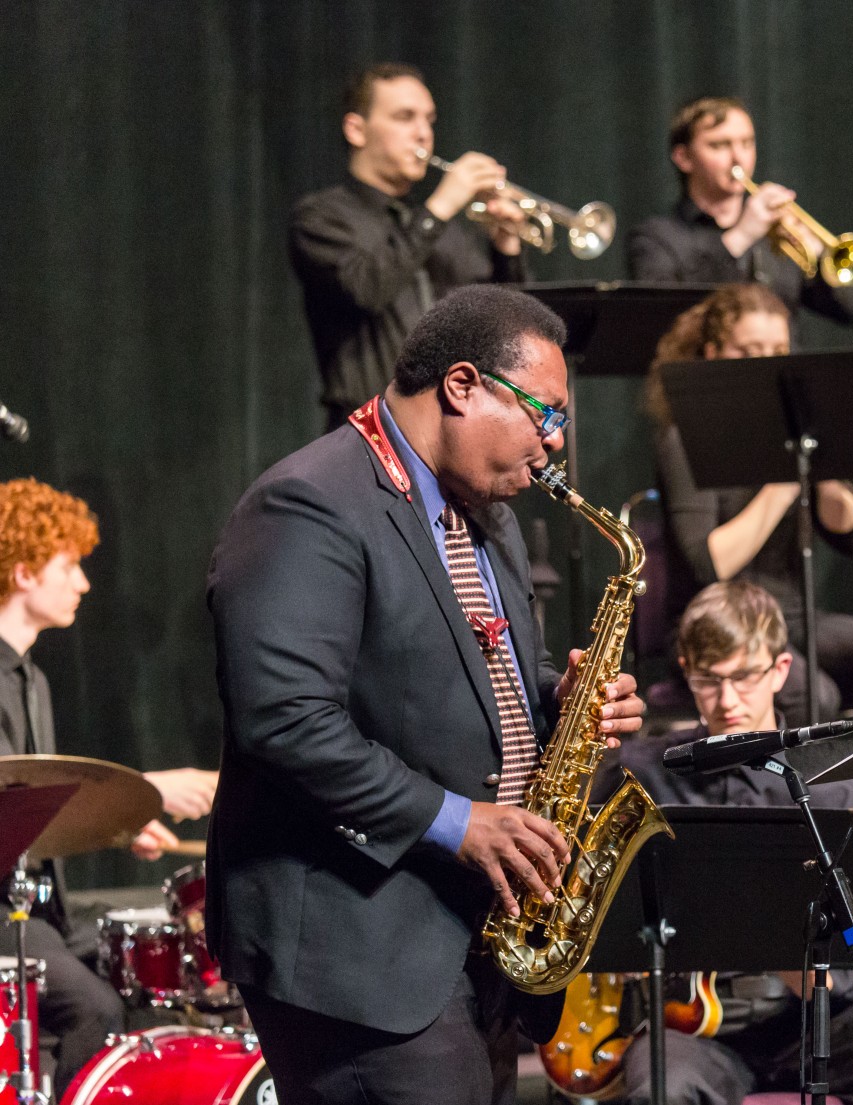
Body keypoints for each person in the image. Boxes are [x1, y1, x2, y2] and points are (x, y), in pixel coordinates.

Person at [206, 285, 647, 1105]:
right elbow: (284, 719)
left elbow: (483, 675)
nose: (552, 445)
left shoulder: (489, 512)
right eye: (544, 414)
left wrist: (567, 700)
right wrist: (458, 820)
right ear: (463, 384)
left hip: (472, 936)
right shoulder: (309, 502)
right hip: (358, 945)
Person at [599, 579, 853, 1105]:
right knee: (665, 1092)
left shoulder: (837, 781)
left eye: (744, 677)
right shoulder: (644, 772)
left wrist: (812, 968)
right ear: (685, 671)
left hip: (812, 1019)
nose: (726, 700)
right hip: (688, 1025)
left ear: (780, 670)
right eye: (707, 681)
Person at [0, 477, 218, 1090]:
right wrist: (144, 788)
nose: (84, 583)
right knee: (92, 1007)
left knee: (154, 981)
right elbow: (12, 799)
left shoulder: (33, 680)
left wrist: (117, 824)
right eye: (69, 566)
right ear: (23, 574)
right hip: (4, 914)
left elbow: (36, 816)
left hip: (43, 911)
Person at [644, 283, 853, 729]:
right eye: (749, 350)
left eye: (778, 349)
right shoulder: (685, 437)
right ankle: (809, 799)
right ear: (712, 354)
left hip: (792, 616)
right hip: (719, 623)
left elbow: (845, 535)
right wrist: (783, 483)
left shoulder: (791, 431)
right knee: (815, 692)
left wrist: (831, 471)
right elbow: (710, 564)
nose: (767, 363)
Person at [290, 62, 531, 430]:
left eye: (429, 120)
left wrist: (506, 245)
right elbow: (366, 288)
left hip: (452, 432)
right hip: (367, 431)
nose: (423, 133)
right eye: (405, 117)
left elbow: (506, 329)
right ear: (356, 129)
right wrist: (442, 206)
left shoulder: (443, 231)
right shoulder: (320, 216)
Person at [626, 95, 853, 329]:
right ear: (684, 158)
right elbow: (663, 321)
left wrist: (817, 251)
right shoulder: (655, 238)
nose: (738, 157)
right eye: (720, 145)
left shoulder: (777, 230)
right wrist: (741, 237)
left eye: (747, 143)